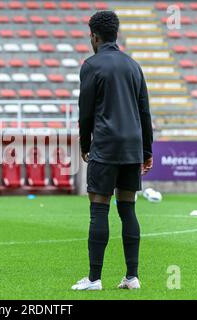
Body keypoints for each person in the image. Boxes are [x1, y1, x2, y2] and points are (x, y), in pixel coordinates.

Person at [72, 11, 153, 290]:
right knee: (128, 209)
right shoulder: (133, 65)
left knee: (99, 210)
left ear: (94, 36)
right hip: (132, 146)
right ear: (116, 34)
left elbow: (86, 112)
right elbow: (145, 112)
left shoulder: (91, 65)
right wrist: (147, 150)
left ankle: (94, 279)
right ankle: (132, 277)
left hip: (105, 145)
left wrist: (85, 145)